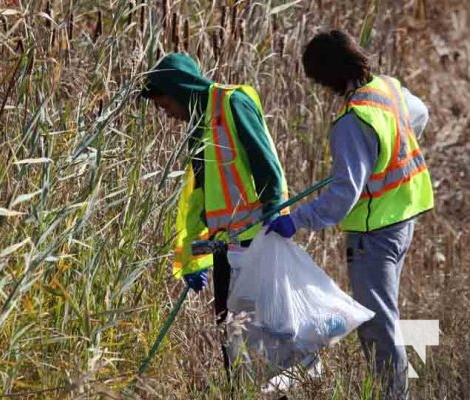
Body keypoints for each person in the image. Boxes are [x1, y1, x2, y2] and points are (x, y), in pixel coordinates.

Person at [266, 30, 434, 399]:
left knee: (378, 322)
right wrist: (381, 155)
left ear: (327, 76)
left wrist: (298, 219)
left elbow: (343, 196)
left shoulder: (352, 120)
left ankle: (394, 394)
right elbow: (420, 114)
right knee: (385, 313)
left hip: (375, 233)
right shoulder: (386, 88)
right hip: (405, 216)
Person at [140, 52, 290, 373]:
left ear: (180, 90)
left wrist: (275, 212)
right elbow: (201, 201)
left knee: (262, 334)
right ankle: (239, 392)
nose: (167, 115)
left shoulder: (232, 104)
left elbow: (267, 165)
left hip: (257, 242)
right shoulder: (199, 125)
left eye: (166, 106)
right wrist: (195, 256)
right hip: (225, 247)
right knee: (229, 332)